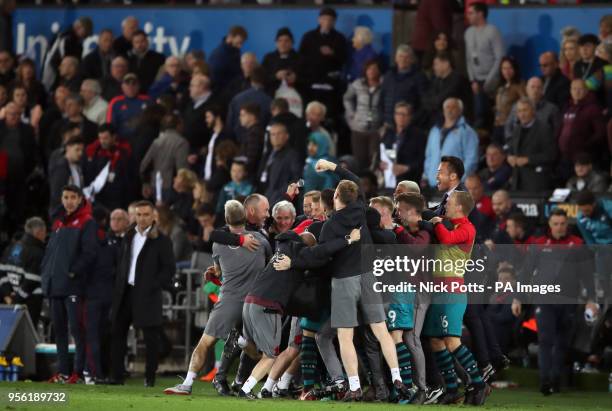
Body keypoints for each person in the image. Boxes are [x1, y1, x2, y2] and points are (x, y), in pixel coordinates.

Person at [311, 159, 414, 402]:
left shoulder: (330, 225)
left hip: (344, 280)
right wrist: (331, 166)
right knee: (381, 331)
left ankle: (354, 386)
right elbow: (355, 180)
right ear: (354, 196)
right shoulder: (359, 209)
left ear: (336, 196)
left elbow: (323, 254)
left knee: (345, 337)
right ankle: (398, 378)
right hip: (368, 276)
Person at [164, 200, 269, 395]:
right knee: (263, 352)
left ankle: (187, 384)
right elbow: (268, 266)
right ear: (246, 217)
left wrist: (215, 273)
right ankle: (245, 346)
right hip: (254, 301)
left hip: (229, 300)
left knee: (205, 342)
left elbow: (220, 271)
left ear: (226, 219)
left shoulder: (218, 245)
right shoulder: (261, 241)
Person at [514, 209, 597, 396]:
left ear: (567, 224)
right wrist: (518, 297)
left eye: (563, 223)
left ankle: (555, 380)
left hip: (569, 301)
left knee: (561, 343)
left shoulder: (577, 244)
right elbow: (526, 272)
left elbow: (587, 276)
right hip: (544, 299)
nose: (560, 227)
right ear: (550, 225)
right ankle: (545, 382)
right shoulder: (539, 244)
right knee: (545, 340)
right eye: (556, 223)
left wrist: (591, 298)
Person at [426, 191, 488, 405]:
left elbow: (446, 238)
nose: (445, 206)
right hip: (437, 290)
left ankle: (479, 383)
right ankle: (451, 388)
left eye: (449, 203)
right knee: (435, 340)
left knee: (452, 341)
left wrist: (435, 223)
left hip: (452, 290)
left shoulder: (467, 228)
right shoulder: (448, 223)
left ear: (460, 207)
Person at [111, 200, 175, 387]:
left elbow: (169, 269)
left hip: (147, 295)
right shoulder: (128, 236)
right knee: (117, 334)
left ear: (153, 216)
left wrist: (153, 285)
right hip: (125, 294)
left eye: (146, 214)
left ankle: (149, 378)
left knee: (150, 339)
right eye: (138, 214)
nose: (142, 218)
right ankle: (116, 376)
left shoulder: (162, 240)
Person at [42, 185, 97, 383]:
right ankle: (64, 372)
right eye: (66, 197)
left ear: (80, 198)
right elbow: (52, 252)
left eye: (73, 197)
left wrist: (73, 271)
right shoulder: (58, 221)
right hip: (55, 284)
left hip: (73, 286)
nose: (69, 201)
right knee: (59, 331)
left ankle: (79, 372)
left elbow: (90, 252)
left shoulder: (86, 221)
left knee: (77, 330)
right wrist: (46, 272)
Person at [298, 7, 347, 123]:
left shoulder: (339, 38)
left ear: (334, 22)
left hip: (331, 86)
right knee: (311, 117)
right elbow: (301, 59)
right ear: (319, 20)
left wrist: (333, 53)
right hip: (311, 85)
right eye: (324, 19)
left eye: (330, 20)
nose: (327, 22)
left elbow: (344, 59)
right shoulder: (308, 37)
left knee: (329, 117)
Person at [0, 216, 46, 326]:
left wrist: (7, 296)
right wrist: (16, 300)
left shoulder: (11, 248)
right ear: (39, 232)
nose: (45, 236)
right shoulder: (38, 253)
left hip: (9, 302)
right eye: (44, 232)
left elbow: (1, 273)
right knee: (27, 338)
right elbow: (31, 282)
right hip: (29, 303)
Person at [423, 98, 478, 189]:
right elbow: (429, 156)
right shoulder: (434, 130)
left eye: (454, 107)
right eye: (447, 107)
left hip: (454, 187)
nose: (450, 110)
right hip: (433, 185)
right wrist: (427, 176)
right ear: (443, 110)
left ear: (460, 111)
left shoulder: (467, 131)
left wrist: (459, 179)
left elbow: (471, 159)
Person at [464, 2, 504, 128]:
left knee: (489, 114)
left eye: (471, 13)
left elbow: (500, 57)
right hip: (476, 82)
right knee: (478, 114)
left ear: (480, 14)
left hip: (492, 80)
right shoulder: (468, 33)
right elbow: (469, 58)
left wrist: (489, 81)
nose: (468, 16)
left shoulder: (492, 31)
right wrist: (472, 80)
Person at [0, 102, 36, 234]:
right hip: (2, 176)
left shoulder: (27, 130)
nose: (14, 117)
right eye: (11, 114)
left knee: (18, 208)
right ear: (5, 114)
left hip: (21, 175)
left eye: (17, 114)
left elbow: (33, 152)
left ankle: (15, 231)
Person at [557, 79, 606, 174]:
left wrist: (584, 145)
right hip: (565, 157)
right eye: (574, 89)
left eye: (580, 89)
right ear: (570, 91)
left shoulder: (593, 108)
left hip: (583, 159)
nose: (577, 91)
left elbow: (600, 133)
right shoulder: (567, 107)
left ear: (586, 91)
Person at [507, 98, 556, 192]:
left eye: (525, 110)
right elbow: (511, 150)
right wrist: (510, 157)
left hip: (536, 182)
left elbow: (551, 155)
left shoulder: (544, 128)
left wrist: (528, 160)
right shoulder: (517, 129)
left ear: (533, 111)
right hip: (518, 181)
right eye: (519, 111)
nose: (522, 114)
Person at [140, 114, 189, 204]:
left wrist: (146, 183)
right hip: (173, 187)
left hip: (155, 185)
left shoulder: (157, 141)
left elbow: (144, 165)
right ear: (178, 125)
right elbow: (182, 169)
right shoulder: (181, 142)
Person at [343, 59, 382, 171]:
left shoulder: (383, 84)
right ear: (365, 70)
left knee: (374, 159)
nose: (372, 71)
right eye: (369, 69)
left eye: (375, 69)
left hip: (375, 128)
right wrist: (351, 114)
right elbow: (347, 98)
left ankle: (373, 184)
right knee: (359, 160)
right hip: (358, 128)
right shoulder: (357, 84)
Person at [84, 123, 132, 210]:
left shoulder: (124, 154)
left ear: (114, 137)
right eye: (100, 138)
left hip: (118, 202)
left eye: (105, 138)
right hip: (100, 202)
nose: (102, 141)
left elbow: (129, 180)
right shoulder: (95, 152)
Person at [380, 44, 427, 127]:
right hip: (388, 124)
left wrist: (412, 119)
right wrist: (383, 118)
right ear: (396, 58)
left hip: (409, 126)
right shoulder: (388, 75)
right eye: (400, 56)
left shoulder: (419, 77)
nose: (403, 59)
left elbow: (424, 103)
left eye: (407, 57)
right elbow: (381, 98)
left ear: (412, 60)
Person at [380, 102, 427, 184]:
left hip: (409, 179)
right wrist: (380, 164)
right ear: (394, 116)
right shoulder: (389, 133)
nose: (401, 117)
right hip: (388, 178)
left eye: (404, 114)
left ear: (410, 117)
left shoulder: (419, 135)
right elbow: (381, 153)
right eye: (398, 114)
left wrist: (407, 168)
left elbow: (422, 160)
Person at [41, 16, 93, 91]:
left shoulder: (76, 42)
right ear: (79, 27)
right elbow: (56, 61)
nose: (86, 36)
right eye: (86, 32)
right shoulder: (66, 39)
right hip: (53, 77)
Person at [421, 52, 471, 128]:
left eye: (436, 64)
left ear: (446, 64)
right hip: (437, 119)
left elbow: (440, 100)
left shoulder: (457, 80)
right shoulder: (436, 79)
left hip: (456, 122)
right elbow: (425, 99)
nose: (434, 68)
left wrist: (432, 104)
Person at [258, 122, 302, 206]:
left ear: (287, 136)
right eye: (273, 134)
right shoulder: (267, 154)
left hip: (280, 199)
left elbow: (297, 178)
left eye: (279, 133)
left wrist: (282, 195)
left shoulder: (292, 155)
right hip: (265, 196)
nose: (275, 137)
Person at [504, 77, 560, 143]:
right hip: (518, 146)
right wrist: (512, 143)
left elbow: (557, 131)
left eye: (538, 88)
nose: (535, 90)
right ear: (526, 89)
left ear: (543, 91)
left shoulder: (552, 109)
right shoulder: (516, 106)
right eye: (532, 87)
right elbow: (508, 126)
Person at [227, 66, 272, 142]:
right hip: (259, 143)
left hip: (238, 143)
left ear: (251, 80)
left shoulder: (237, 98)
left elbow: (229, 125)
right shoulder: (269, 101)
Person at [106, 73, 152, 141]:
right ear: (122, 86)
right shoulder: (115, 102)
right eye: (127, 83)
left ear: (139, 86)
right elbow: (110, 125)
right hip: (122, 140)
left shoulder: (148, 101)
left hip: (144, 139)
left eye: (134, 83)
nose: (131, 86)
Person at [182, 74, 216, 163]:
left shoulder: (213, 105)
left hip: (200, 155)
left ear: (202, 87)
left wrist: (199, 153)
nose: (189, 88)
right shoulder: (191, 104)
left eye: (192, 85)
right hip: (187, 151)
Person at [48, 135, 85, 214]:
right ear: (68, 148)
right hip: (62, 213)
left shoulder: (77, 166)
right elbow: (57, 194)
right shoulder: (60, 167)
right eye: (77, 150)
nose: (80, 153)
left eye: (82, 150)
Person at [493, 56, 524, 144]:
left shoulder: (519, 85)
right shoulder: (500, 86)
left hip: (511, 126)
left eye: (510, 68)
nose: (506, 71)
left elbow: (524, 103)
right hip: (497, 124)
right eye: (504, 68)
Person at [209, 26, 248, 94]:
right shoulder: (219, 55)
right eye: (238, 42)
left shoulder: (235, 51)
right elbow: (215, 79)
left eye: (242, 43)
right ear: (230, 37)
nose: (240, 46)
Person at [262, 28, 302, 93]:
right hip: (272, 95)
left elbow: (309, 79)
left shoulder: (300, 59)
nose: (283, 44)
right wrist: (275, 76)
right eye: (280, 41)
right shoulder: (269, 58)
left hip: (295, 95)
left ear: (292, 43)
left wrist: (296, 78)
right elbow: (262, 78)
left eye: (286, 41)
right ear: (276, 43)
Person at [238, 103, 264, 180]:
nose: (240, 118)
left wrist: (243, 172)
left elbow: (251, 157)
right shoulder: (253, 131)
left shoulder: (254, 133)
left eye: (243, 115)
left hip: (250, 176)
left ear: (252, 116)